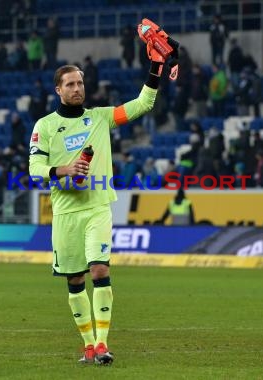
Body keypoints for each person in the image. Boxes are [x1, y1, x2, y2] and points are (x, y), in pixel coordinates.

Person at [29, 22, 175, 365]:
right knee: (75, 279)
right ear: (58, 91)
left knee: (99, 269)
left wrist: (156, 67)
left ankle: (102, 344)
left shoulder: (100, 118)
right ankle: (87, 344)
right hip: (65, 212)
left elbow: (143, 103)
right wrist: (65, 170)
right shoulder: (45, 126)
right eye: (70, 84)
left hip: (97, 207)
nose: (77, 88)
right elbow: (36, 171)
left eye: (80, 82)